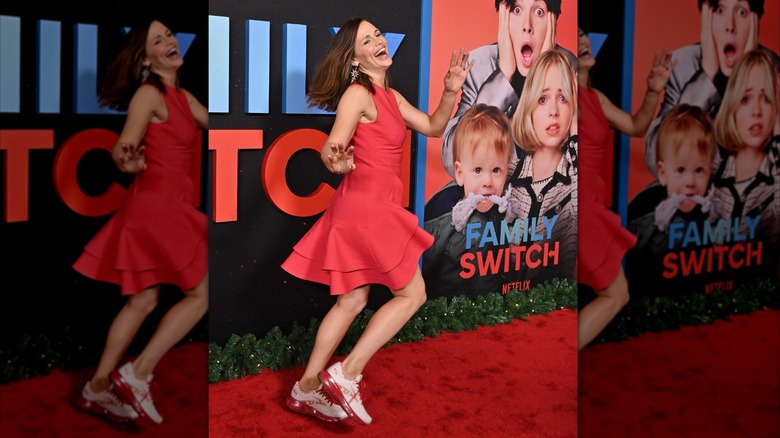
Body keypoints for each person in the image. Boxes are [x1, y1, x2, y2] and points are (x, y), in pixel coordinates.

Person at [280, 18, 472, 426]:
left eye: (378, 34)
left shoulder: (390, 96)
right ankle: (346, 374)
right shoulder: (357, 94)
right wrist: (337, 158)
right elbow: (332, 146)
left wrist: (450, 90)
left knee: (352, 300)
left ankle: (306, 388)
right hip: (366, 211)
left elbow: (435, 127)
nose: (378, 41)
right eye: (367, 40)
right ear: (354, 58)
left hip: (366, 208)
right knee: (412, 295)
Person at [73, 18, 208, 425]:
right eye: (157, 40)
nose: (168, 40)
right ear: (146, 58)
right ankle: (138, 372)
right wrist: (125, 159)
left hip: (160, 207)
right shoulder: (149, 95)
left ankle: (95, 388)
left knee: (143, 300)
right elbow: (122, 148)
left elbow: (216, 123)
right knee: (202, 294)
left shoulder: (181, 95)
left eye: (168, 34)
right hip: (157, 208)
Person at [426, 0, 577, 219]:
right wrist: (503, 74)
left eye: (538, 11)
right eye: (517, 10)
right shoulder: (481, 63)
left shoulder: (569, 67)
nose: (527, 25)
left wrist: (543, 73)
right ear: (503, 17)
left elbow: (571, 161)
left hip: (546, 201)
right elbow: (453, 158)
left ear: (553, 19)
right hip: (490, 196)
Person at [576, 27, 674, 350]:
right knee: (617, 293)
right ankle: (559, 365)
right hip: (579, 208)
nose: (583, 40)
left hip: (591, 206)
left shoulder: (595, 97)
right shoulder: (563, 96)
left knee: (609, 293)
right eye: (573, 36)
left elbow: (636, 125)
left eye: (583, 33)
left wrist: (652, 92)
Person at [643, 0, 780, 179]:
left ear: (756, 21)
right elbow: (656, 158)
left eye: (742, 12)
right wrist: (705, 76)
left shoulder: (774, 71)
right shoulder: (683, 64)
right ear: (706, 18)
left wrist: (747, 74)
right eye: (720, 10)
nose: (730, 26)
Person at [422, 104, 518, 299]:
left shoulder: (500, 207)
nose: (488, 182)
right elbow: (484, 292)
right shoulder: (472, 227)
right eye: (478, 170)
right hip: (453, 308)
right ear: (460, 173)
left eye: (496, 170)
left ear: (506, 170)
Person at [626, 104, 720, 296]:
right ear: (663, 173)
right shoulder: (645, 216)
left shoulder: (712, 211)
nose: (691, 182)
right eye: (681, 171)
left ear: (710, 170)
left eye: (699, 170)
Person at [505, 50, 578, 285]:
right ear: (529, 106)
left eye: (564, 98)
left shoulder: (575, 181)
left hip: (557, 315)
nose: (554, 111)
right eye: (543, 99)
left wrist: (576, 131)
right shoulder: (505, 177)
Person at [711, 49, 780, 278]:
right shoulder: (711, 176)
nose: (757, 112)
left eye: (767, 98)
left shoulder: (775, 181)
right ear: (732, 105)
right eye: (746, 99)